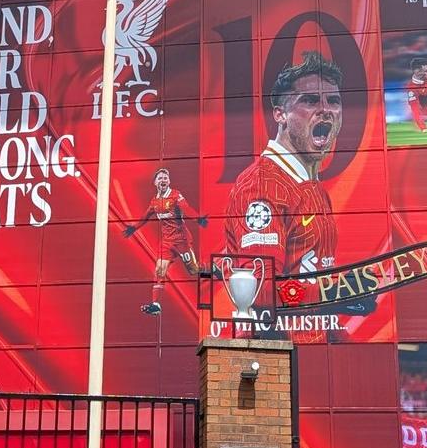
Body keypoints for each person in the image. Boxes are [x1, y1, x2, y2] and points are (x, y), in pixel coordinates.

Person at [224, 52, 348, 340]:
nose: (326, 109)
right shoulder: (261, 186)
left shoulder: (311, 185)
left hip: (314, 350)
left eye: (334, 101)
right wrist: (342, 290)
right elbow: (263, 294)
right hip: (279, 360)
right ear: (280, 114)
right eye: (310, 100)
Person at [124, 168, 208, 315]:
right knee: (159, 270)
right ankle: (156, 305)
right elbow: (145, 216)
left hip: (181, 240)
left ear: (168, 181)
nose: (163, 180)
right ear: (155, 182)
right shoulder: (155, 201)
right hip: (166, 243)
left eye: (165, 178)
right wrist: (134, 228)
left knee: (194, 270)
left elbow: (186, 208)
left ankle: (214, 270)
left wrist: (197, 218)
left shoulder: (176, 195)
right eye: (160, 178)